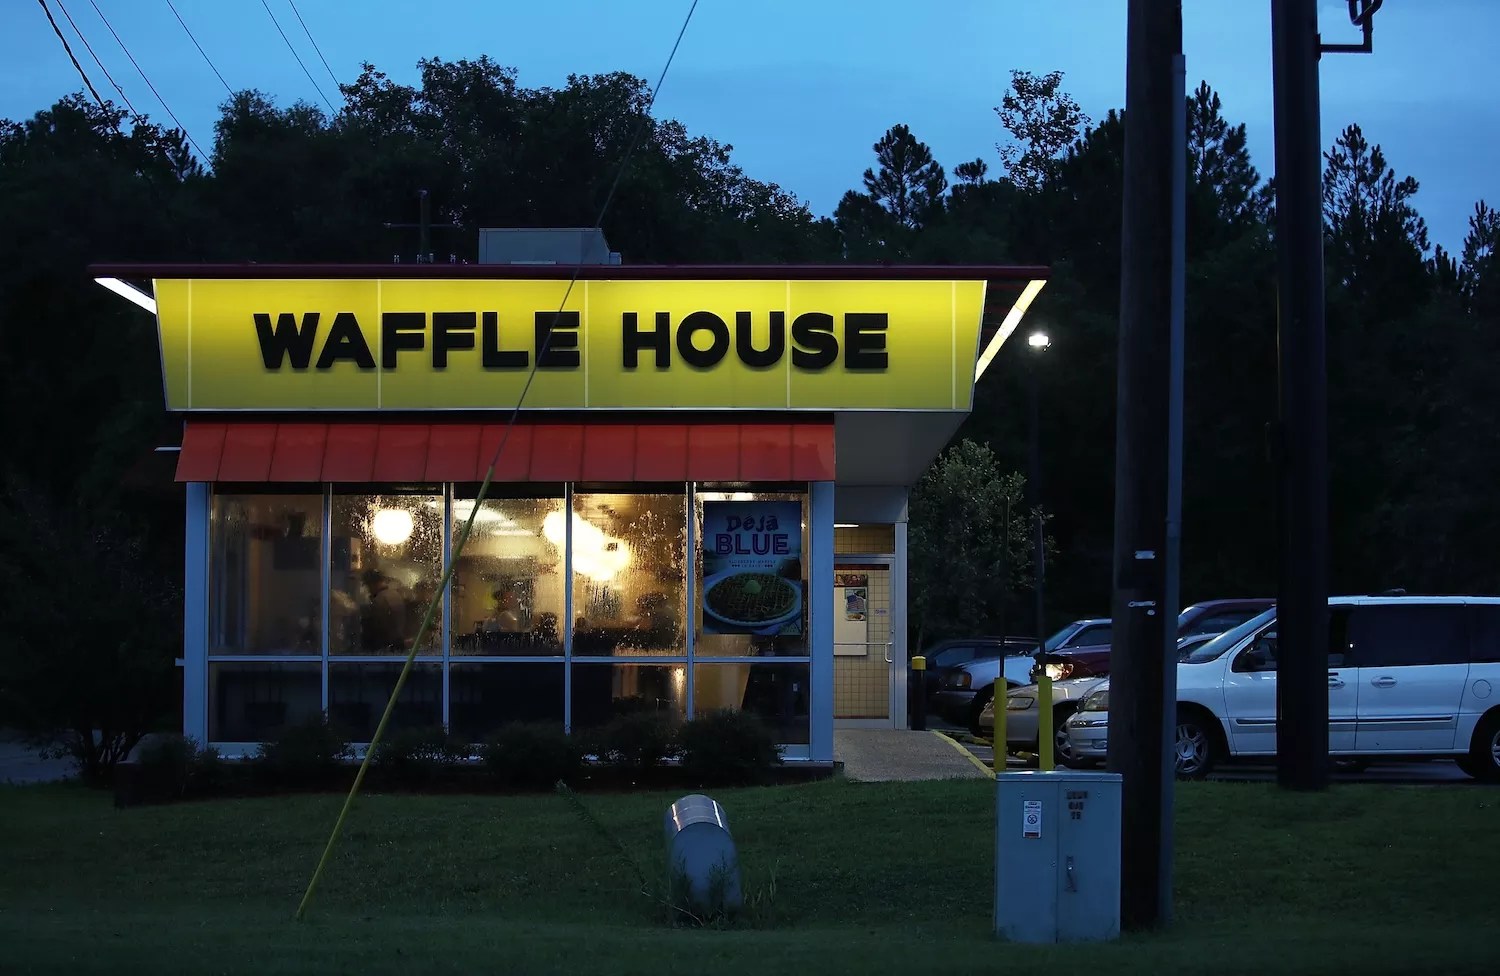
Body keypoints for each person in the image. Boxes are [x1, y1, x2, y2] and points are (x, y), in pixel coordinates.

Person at [362, 569, 409, 651]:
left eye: (368, 586)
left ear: (372, 584)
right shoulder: (395, 594)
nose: (369, 590)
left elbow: (376, 629)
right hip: (399, 644)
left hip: (387, 648)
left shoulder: (379, 600)